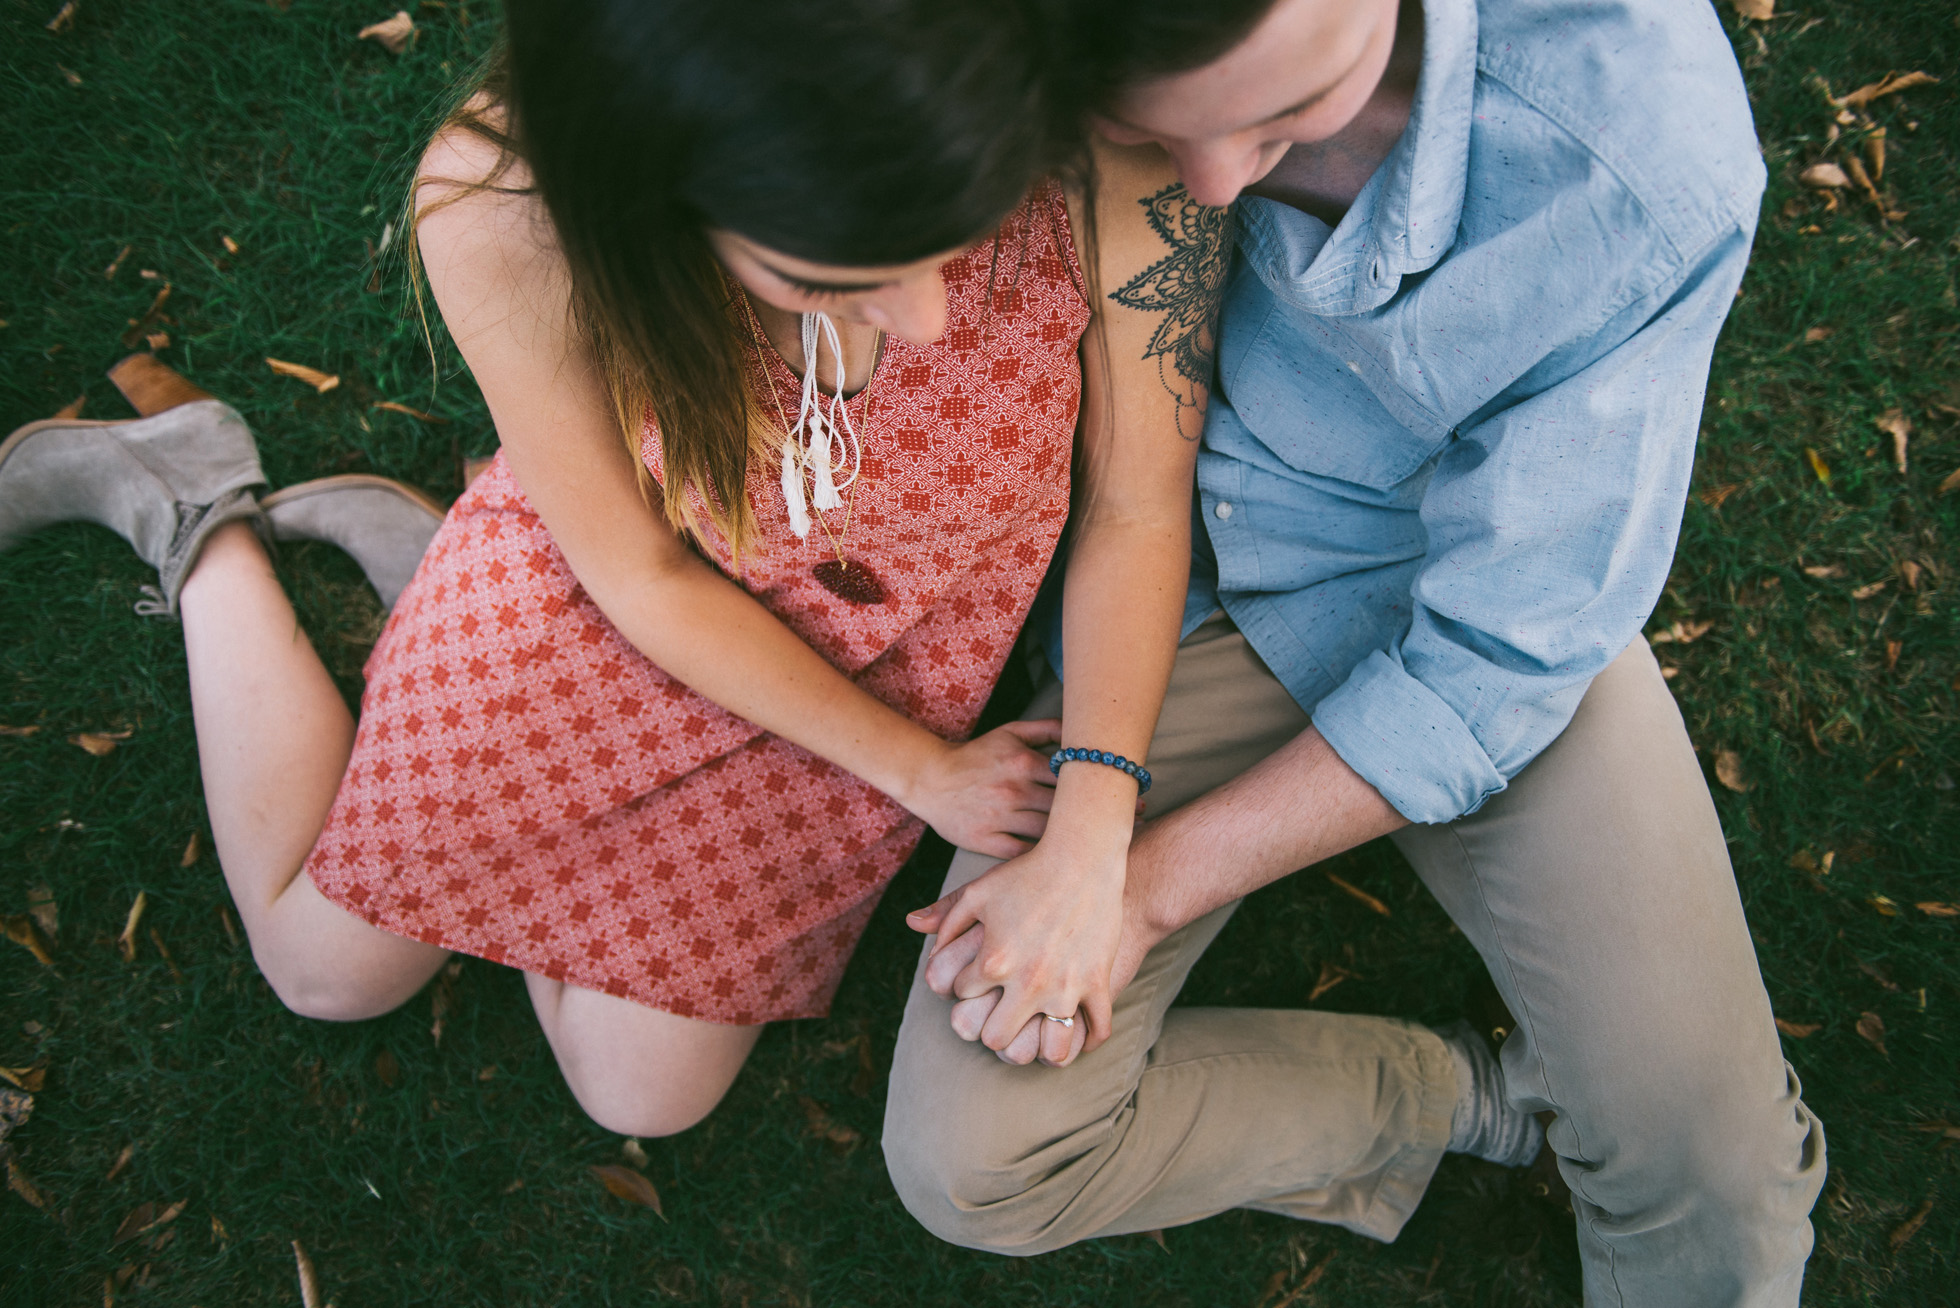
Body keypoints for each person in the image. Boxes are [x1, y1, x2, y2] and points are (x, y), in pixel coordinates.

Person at [0, 0, 1226, 1137]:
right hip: (608, 594)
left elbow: (1133, 507)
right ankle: (197, 511)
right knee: (328, 975)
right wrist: (924, 776)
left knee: (647, 1100)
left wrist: (1090, 818)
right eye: (829, 278)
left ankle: (415, 596)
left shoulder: (1088, 150)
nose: (927, 323)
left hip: (878, 661)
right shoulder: (504, 197)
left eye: (946, 243)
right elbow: (636, 574)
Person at [884, 0, 1827, 1301]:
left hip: (1457, 599)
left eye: (1279, 117)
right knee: (974, 1159)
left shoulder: (1643, 153)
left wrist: (1140, 887)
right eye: (1151, 132)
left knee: (1719, 1191)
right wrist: (1089, 833)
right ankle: (1477, 1095)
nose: (1213, 184)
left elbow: (1501, 660)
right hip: (1168, 607)